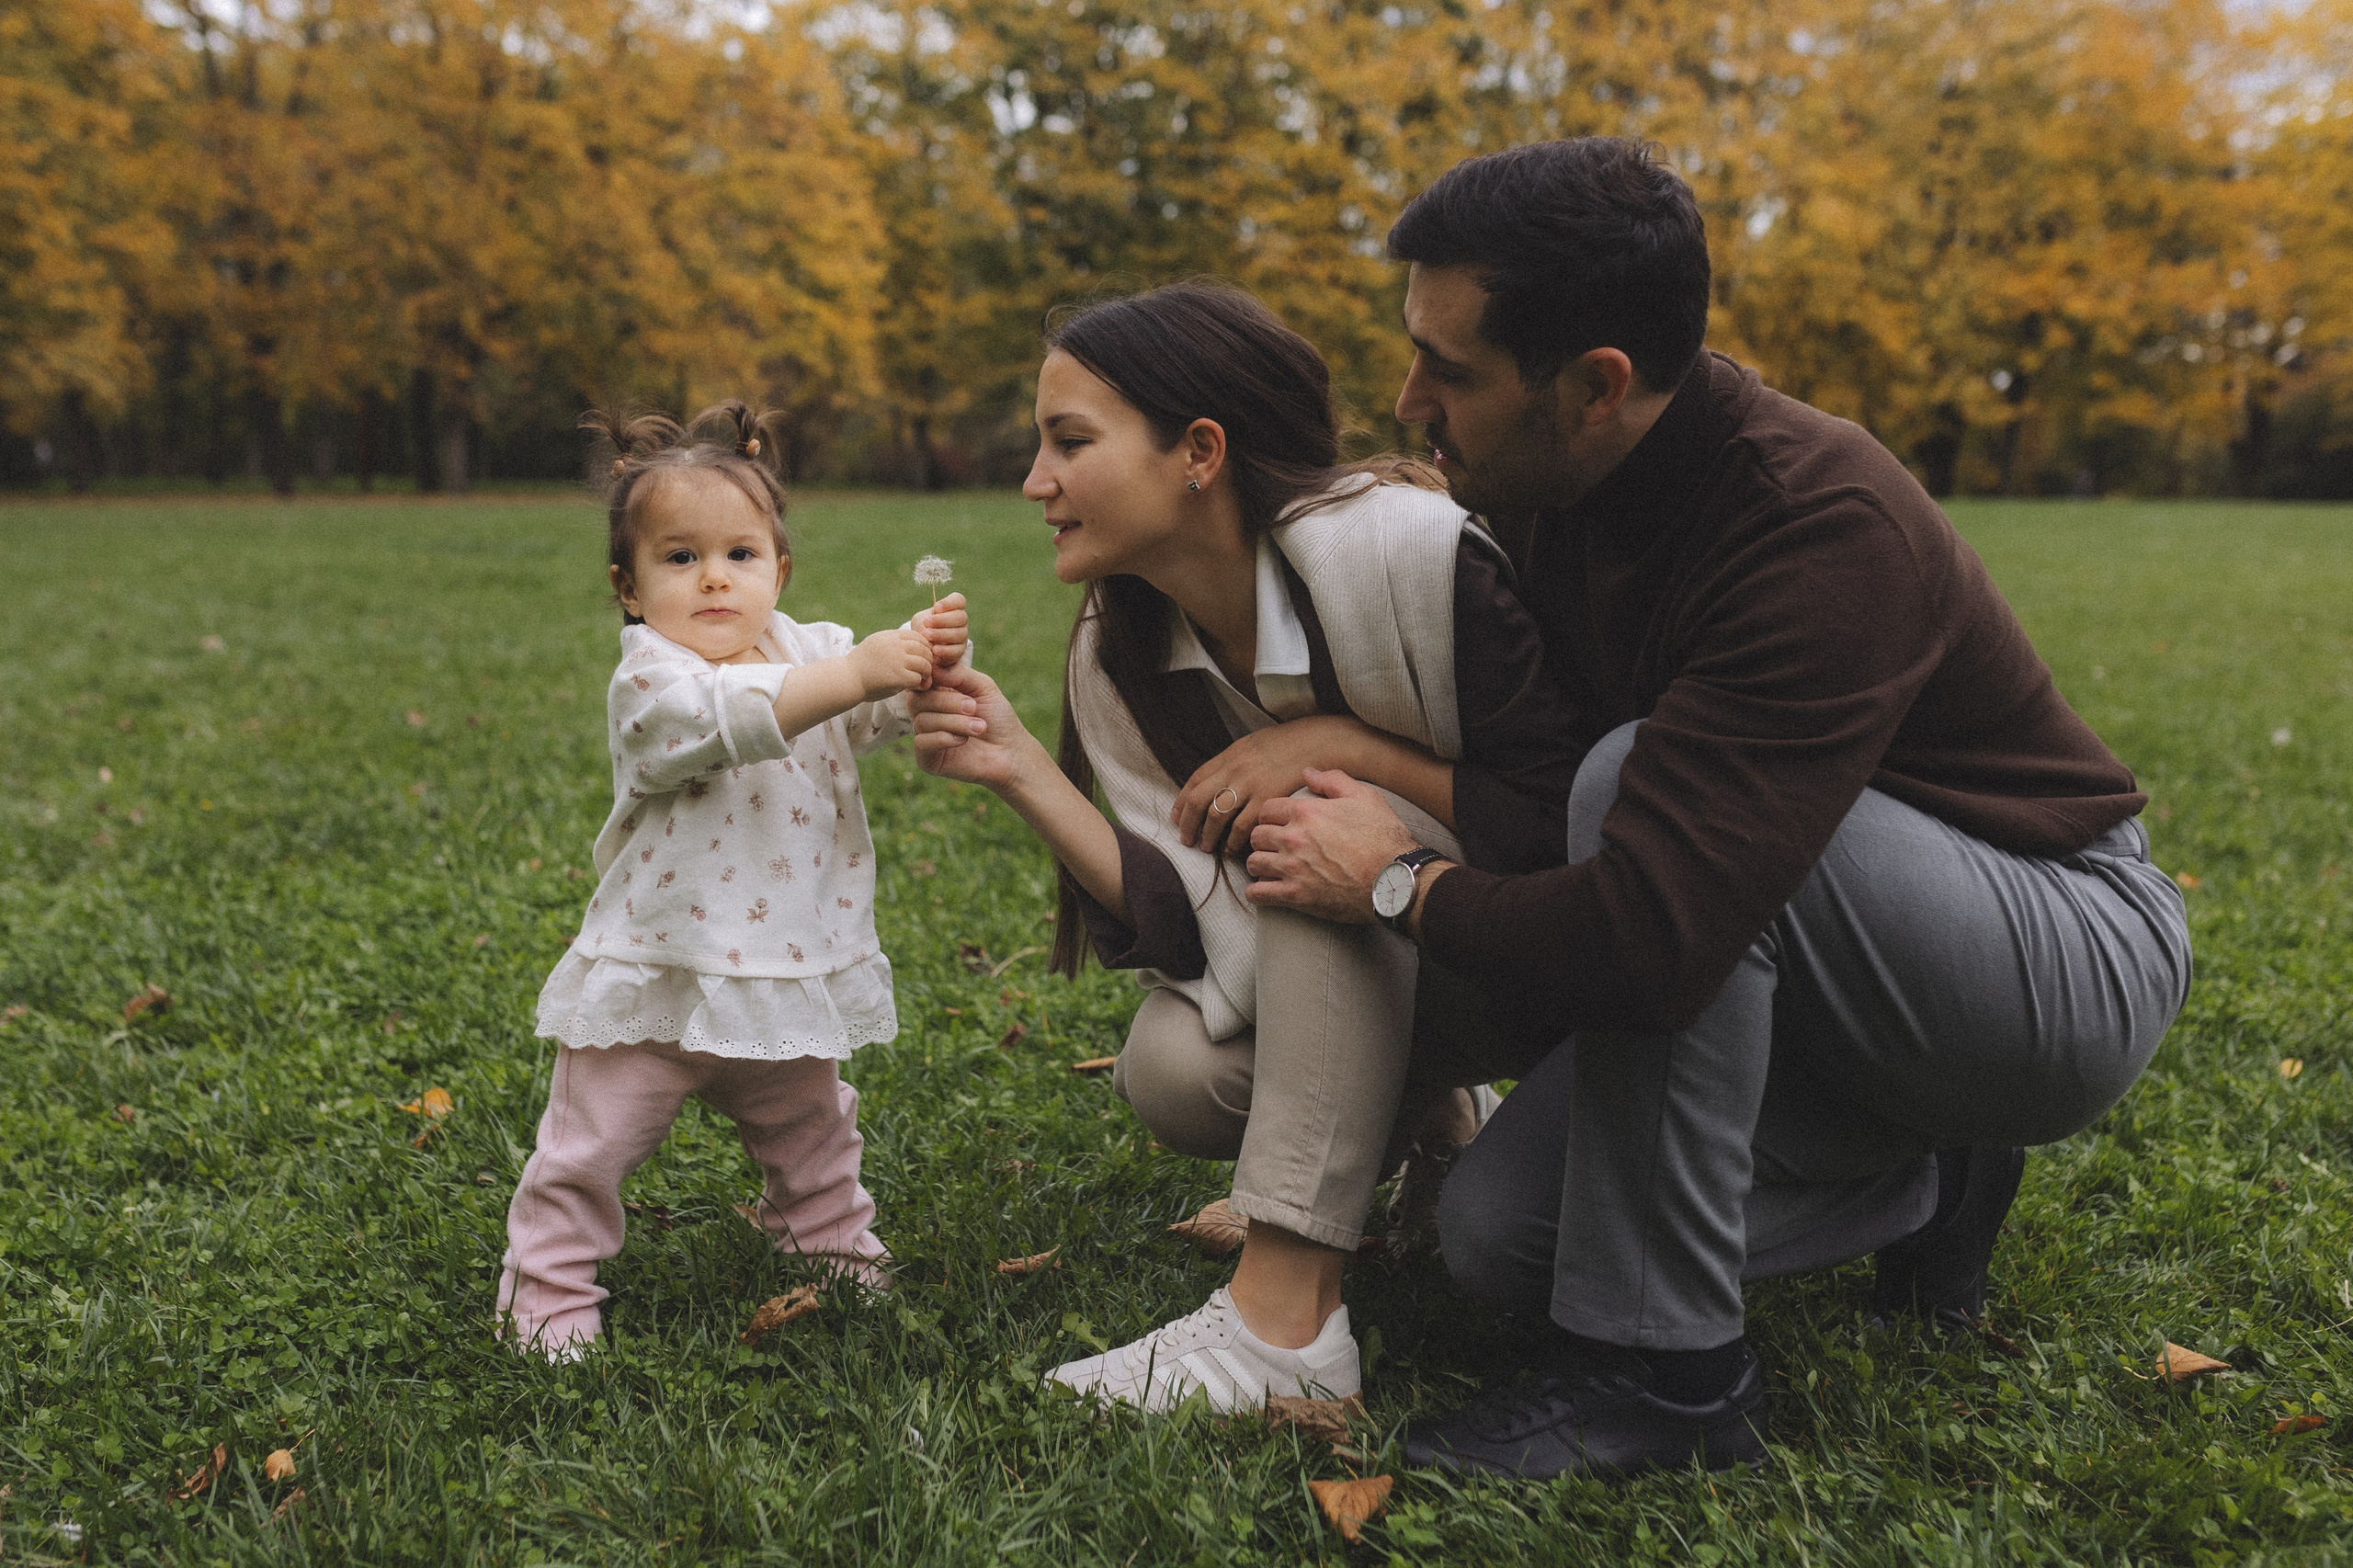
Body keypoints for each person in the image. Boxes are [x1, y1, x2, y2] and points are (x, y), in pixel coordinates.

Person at [1241, 139, 2193, 1478]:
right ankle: (1933, 1174)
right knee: (1503, 1239)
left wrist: (1399, 882)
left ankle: (1672, 1381)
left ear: (1596, 385)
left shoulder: (1815, 521)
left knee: (1632, 781)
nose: (1410, 402)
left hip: (2050, 940)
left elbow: (1646, 932)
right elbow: (1567, 826)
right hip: (1806, 935)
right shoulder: (1552, 490)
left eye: (1449, 370)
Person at [908, 282, 1584, 1412]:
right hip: (1394, 967)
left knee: (1309, 828)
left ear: (1199, 451)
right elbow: (1183, 914)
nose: (1036, 481)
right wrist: (1019, 763)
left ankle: (1283, 1322)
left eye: (1069, 441)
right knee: (1173, 1070)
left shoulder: (1414, 560)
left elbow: (1573, 814)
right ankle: (1438, 1116)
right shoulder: (1120, 647)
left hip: (1543, 955)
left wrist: (1340, 751)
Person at [496, 401, 970, 1357]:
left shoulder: (812, 649)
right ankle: (545, 1282)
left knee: (815, 1134)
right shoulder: (651, 681)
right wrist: (859, 672)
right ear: (628, 588)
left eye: (740, 555)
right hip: (660, 970)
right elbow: (728, 720)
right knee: (588, 1148)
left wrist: (920, 668)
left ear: (778, 569)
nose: (714, 576)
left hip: (785, 968)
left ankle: (829, 1240)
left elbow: (862, 713)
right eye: (679, 558)